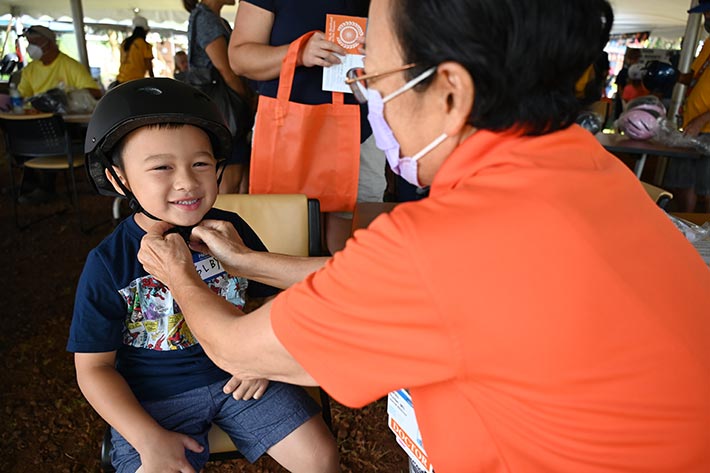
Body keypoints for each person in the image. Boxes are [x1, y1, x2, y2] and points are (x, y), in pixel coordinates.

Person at [139, 1, 710, 472]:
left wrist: (179, 276)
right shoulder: (588, 167)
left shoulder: (448, 240)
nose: (370, 103)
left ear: (450, 94)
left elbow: (237, 347)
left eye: (372, 80)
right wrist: (246, 263)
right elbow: (390, 291)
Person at [68, 78, 338, 473]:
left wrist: (264, 357)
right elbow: (93, 368)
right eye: (161, 167)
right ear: (118, 178)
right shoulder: (108, 261)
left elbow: (274, 293)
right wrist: (147, 437)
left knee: (320, 457)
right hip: (153, 400)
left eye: (201, 163)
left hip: (243, 378)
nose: (187, 182)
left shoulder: (228, 231)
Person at [229, 0, 387, 253]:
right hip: (287, 132)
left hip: (362, 129)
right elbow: (239, 58)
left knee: (353, 248)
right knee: (284, 240)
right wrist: (297, 53)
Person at [16, 25, 102, 204]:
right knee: (19, 130)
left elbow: (94, 92)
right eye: (29, 43)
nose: (31, 47)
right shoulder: (30, 70)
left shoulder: (69, 65)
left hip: (63, 127)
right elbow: (21, 96)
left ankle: (46, 186)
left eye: (35, 43)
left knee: (46, 130)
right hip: (34, 122)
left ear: (49, 43)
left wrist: (64, 97)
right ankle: (30, 182)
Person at [183, 0, 255, 195]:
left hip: (220, 104)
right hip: (226, 105)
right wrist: (245, 102)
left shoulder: (210, 18)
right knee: (230, 180)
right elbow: (226, 69)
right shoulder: (206, 18)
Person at [663, 0, 710, 212]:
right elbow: (694, 76)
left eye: (709, 13)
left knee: (706, 190)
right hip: (693, 128)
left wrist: (702, 120)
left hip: (705, 127)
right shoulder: (709, 43)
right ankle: (689, 230)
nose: (706, 18)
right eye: (705, 14)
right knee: (683, 184)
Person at [112, 15, 154, 87]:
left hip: (120, 81)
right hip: (135, 82)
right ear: (145, 30)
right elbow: (149, 65)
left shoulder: (125, 42)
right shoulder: (144, 45)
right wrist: (153, 81)